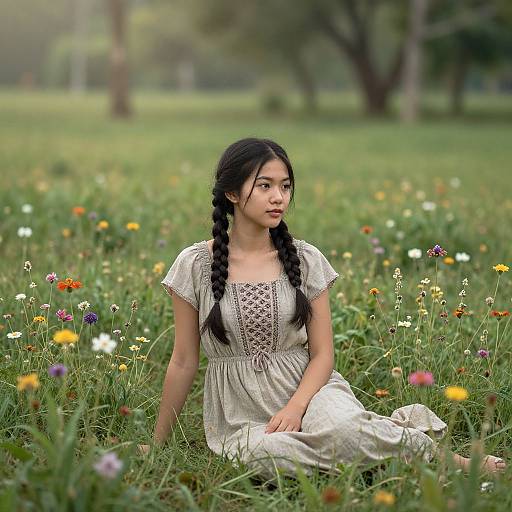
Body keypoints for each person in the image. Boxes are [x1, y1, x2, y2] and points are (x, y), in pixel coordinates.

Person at [138, 138, 506, 480]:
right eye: (264, 186)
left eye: (285, 186)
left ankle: (446, 460)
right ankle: (377, 453)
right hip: (241, 412)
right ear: (232, 193)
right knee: (268, 455)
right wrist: (157, 444)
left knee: (346, 431)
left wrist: (297, 407)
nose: (278, 197)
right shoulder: (195, 264)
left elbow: (323, 354)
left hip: (311, 390)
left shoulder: (304, 259)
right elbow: (184, 361)